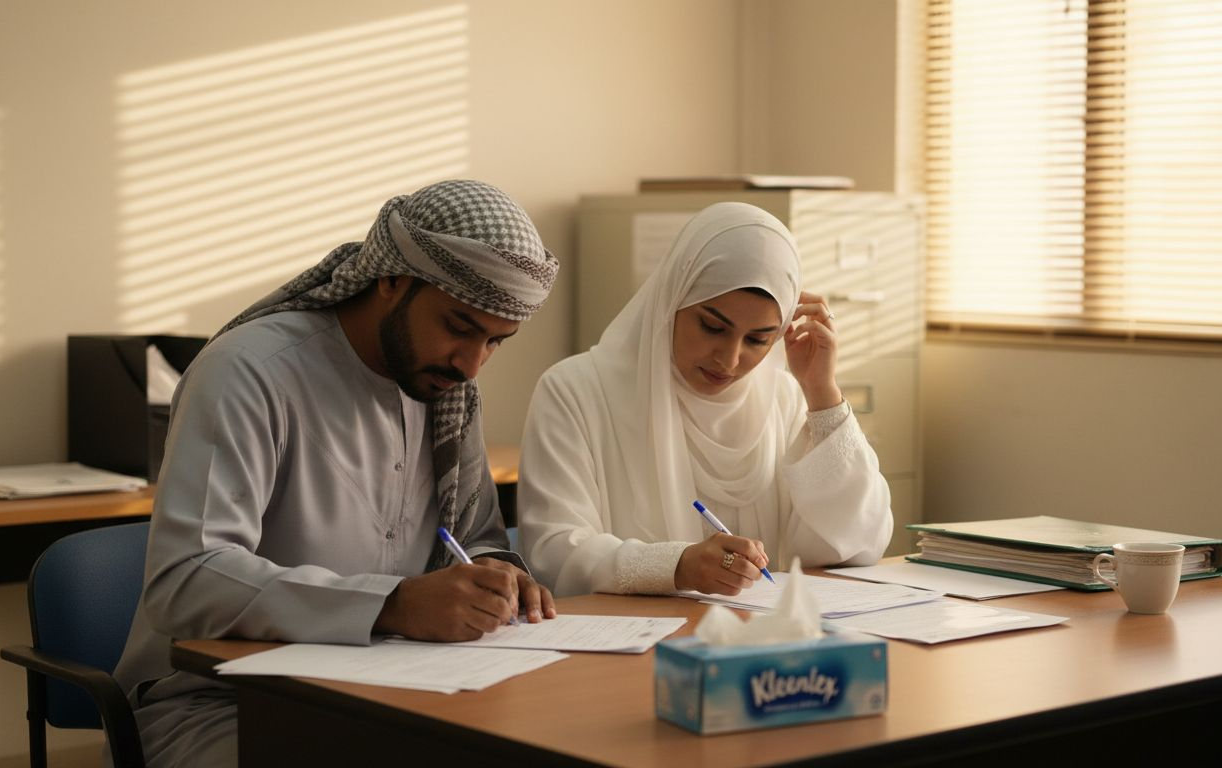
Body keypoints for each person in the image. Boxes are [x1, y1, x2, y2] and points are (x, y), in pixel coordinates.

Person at [112, 180, 560, 768]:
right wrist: (395, 604)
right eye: (459, 325)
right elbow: (187, 579)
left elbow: (472, 541)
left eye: (496, 342)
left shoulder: (446, 389)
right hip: (225, 702)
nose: (472, 362)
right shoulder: (250, 373)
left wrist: (500, 578)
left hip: (395, 690)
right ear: (392, 280)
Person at [518, 202, 892, 598]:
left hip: (755, 639)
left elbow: (856, 544)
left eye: (758, 339)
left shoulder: (783, 400)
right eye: (712, 327)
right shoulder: (575, 392)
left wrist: (823, 395)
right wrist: (676, 567)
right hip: (631, 646)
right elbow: (553, 553)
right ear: (672, 300)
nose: (729, 360)